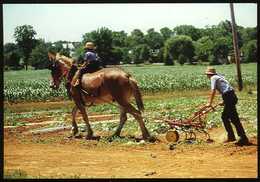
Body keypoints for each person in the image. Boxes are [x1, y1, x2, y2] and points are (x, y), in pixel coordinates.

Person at [205, 67, 250, 146]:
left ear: (209, 74)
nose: (207, 76)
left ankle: (243, 138)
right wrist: (224, 101)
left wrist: (210, 102)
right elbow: (226, 88)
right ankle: (232, 136)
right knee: (225, 117)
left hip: (229, 97)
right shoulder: (219, 77)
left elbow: (213, 91)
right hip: (230, 96)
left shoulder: (213, 78)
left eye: (207, 75)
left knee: (233, 118)